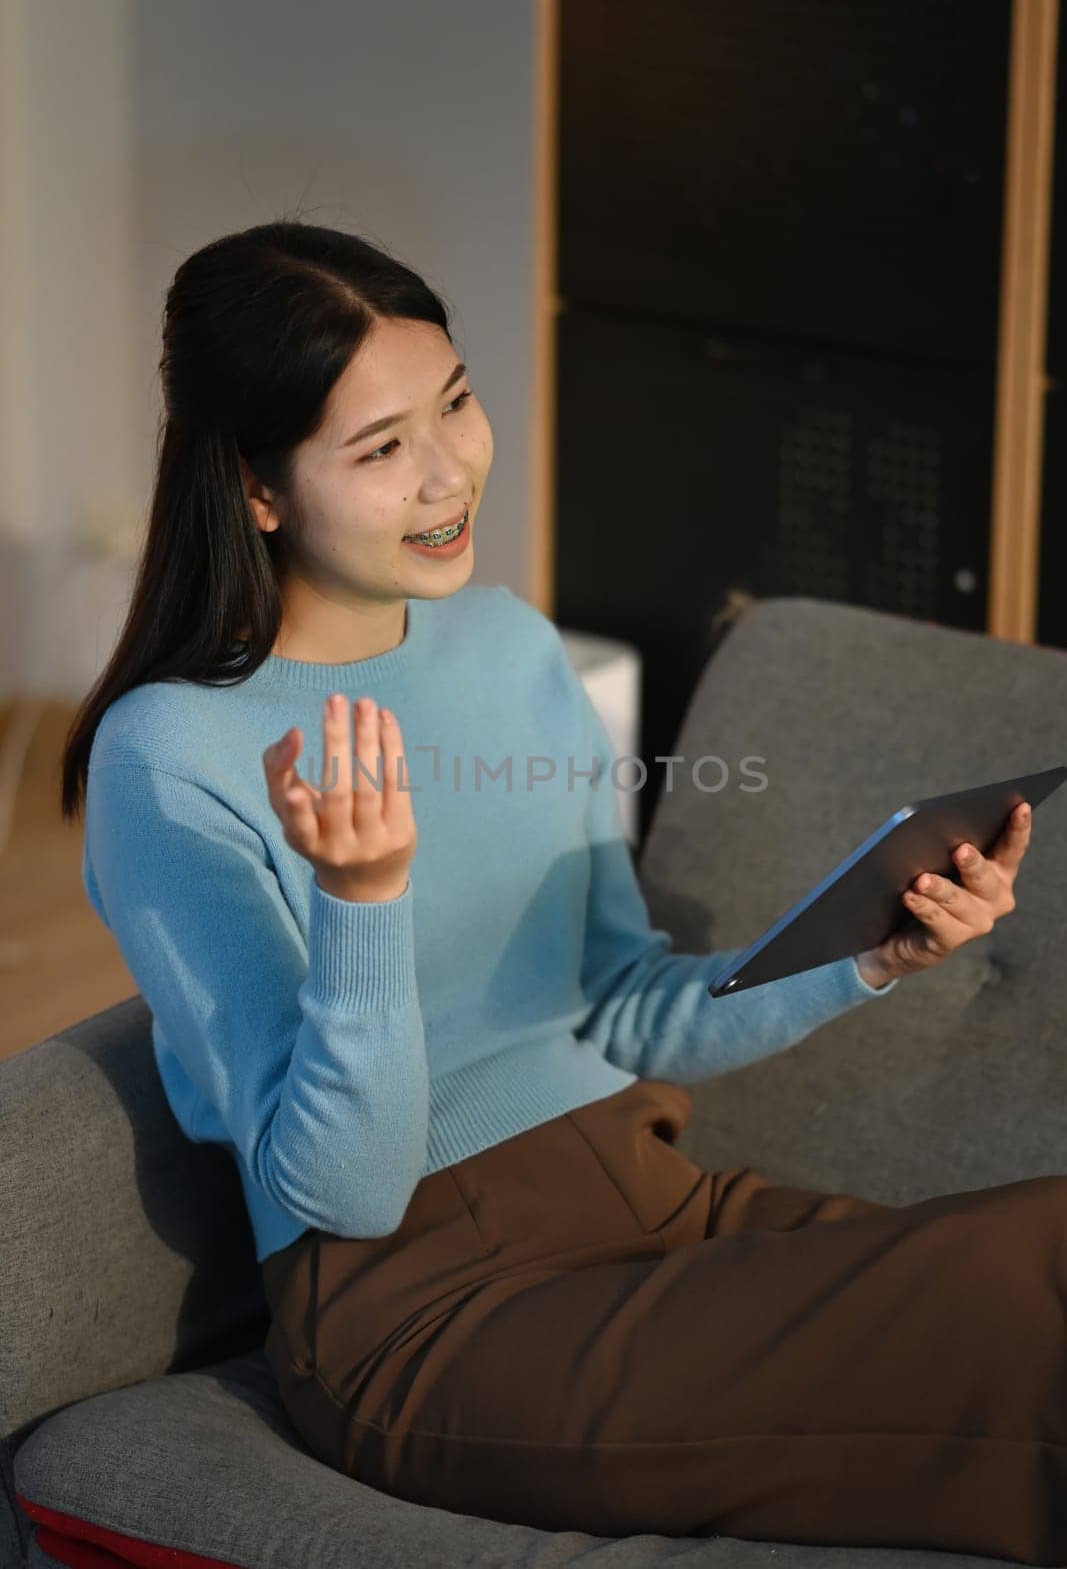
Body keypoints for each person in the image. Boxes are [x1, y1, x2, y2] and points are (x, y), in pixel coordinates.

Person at [60, 220, 1055, 1563]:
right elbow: (342, 1189)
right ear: (256, 489)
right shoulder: (170, 755)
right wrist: (366, 900)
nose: (447, 472)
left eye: (455, 405)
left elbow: (635, 1013)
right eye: (380, 448)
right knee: (1015, 1296)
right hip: (426, 1315)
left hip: (656, 1204)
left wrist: (872, 952)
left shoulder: (505, 644)